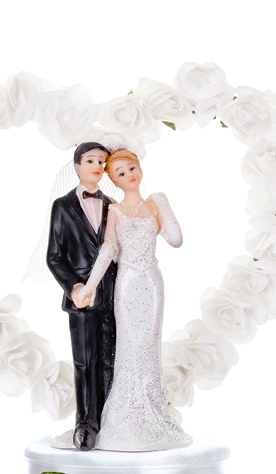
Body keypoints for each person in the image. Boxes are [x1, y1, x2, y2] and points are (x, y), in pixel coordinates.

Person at [53, 148, 192, 451]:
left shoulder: (154, 202)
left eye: (131, 168)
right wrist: (88, 287)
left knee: (149, 345)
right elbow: (108, 250)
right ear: (113, 180)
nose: (129, 175)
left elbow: (176, 239)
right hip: (126, 284)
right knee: (128, 346)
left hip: (152, 283)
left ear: (140, 168)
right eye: (120, 173)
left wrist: (163, 204)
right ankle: (119, 415)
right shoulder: (114, 210)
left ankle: (151, 412)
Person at [46, 142, 117, 451]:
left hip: (113, 295)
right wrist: (74, 287)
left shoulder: (114, 206)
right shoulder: (63, 206)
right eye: (90, 160)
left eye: (102, 161)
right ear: (76, 166)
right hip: (82, 299)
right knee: (85, 361)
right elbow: (54, 256)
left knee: (111, 359)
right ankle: (85, 423)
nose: (97, 166)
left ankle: (111, 419)